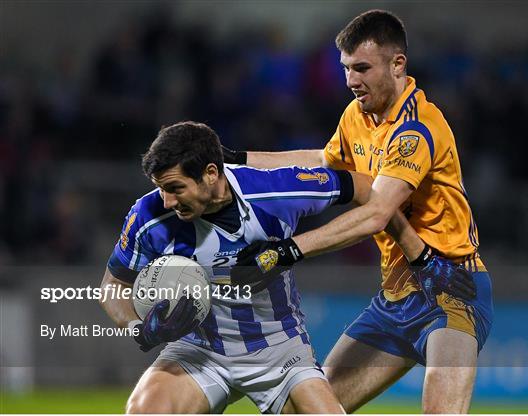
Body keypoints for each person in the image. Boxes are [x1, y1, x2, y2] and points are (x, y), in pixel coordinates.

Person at [227, 10, 493, 414]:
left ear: (398, 63)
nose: (352, 81)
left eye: (363, 68)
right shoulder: (358, 115)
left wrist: (284, 251)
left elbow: (376, 213)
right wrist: (239, 160)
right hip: (396, 298)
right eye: (347, 68)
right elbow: (321, 160)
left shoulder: (417, 129)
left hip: (453, 290)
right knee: (303, 410)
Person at [101, 120, 443, 414]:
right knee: (145, 410)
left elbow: (369, 190)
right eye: (161, 189)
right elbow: (112, 287)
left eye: (175, 188)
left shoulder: (274, 191)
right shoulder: (147, 216)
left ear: (210, 173)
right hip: (200, 349)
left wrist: (415, 250)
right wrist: (139, 328)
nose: (168, 202)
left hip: (278, 349)